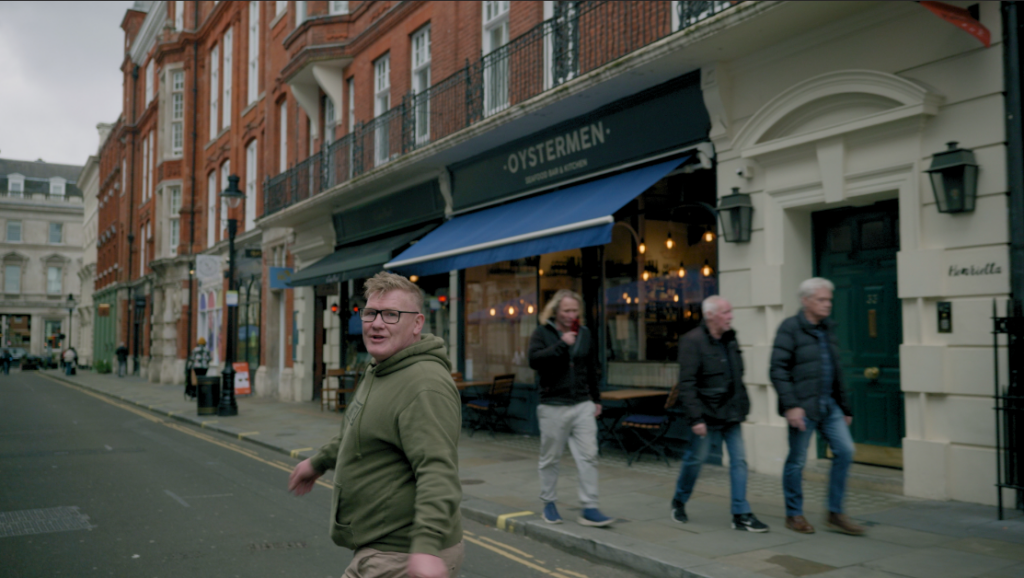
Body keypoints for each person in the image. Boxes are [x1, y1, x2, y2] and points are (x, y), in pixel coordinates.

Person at [288, 272, 464, 578]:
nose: (377, 323)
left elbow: (438, 471)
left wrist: (424, 546)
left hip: (401, 554)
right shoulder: (381, 369)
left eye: (392, 315)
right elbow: (356, 430)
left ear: (417, 323)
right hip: (379, 550)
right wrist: (318, 463)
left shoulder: (423, 385)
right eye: (370, 313)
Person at [770, 277, 864, 536]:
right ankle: (794, 514)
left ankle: (835, 512)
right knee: (797, 461)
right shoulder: (789, 328)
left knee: (845, 451)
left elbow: (835, 370)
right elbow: (777, 369)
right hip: (802, 406)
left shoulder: (827, 329)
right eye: (822, 300)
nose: (827, 305)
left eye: (829, 300)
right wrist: (791, 406)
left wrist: (845, 407)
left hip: (829, 406)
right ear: (805, 301)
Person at [667, 296, 769, 532]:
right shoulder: (692, 341)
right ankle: (679, 501)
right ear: (711, 315)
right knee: (695, 460)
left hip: (732, 413)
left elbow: (737, 376)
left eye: (730, 312)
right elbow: (687, 383)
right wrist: (695, 418)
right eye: (725, 312)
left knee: (739, 461)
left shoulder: (731, 339)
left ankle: (740, 513)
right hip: (706, 414)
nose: (730, 316)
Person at [528, 289, 613, 528]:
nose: (571, 315)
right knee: (550, 459)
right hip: (553, 405)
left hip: (582, 404)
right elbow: (535, 361)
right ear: (556, 310)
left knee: (589, 456)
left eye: (575, 310)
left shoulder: (584, 333)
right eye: (566, 310)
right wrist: (561, 345)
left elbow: (591, 367)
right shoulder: (542, 333)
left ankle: (589, 507)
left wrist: (596, 399)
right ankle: (549, 504)